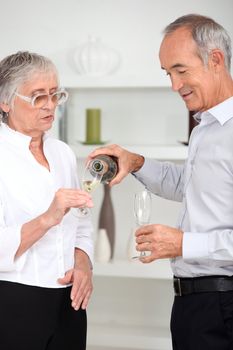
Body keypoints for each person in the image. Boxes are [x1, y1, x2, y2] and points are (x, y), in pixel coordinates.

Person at [89, 14, 233, 350]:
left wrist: (184, 244)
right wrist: (135, 161)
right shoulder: (207, 127)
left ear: (215, 59)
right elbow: (189, 185)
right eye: (168, 73)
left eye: (181, 70)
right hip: (191, 304)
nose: (174, 84)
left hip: (223, 304)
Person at [0, 51, 94, 350]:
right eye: (38, 97)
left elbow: (82, 223)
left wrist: (83, 265)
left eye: (55, 95)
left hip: (69, 302)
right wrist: (46, 219)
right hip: (14, 302)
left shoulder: (62, 153)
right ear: (4, 102)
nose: (51, 106)